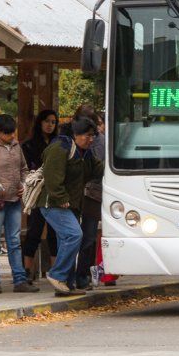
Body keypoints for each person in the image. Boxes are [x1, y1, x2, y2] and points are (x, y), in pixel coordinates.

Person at [37, 117, 104, 297]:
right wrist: (61, 197)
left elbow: (100, 170)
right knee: (75, 235)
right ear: (75, 134)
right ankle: (57, 275)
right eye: (88, 136)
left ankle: (66, 285)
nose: (91, 140)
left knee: (65, 240)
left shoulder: (85, 153)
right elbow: (52, 177)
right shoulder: (60, 148)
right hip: (53, 203)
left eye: (93, 136)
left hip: (71, 205)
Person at [0, 114, 39, 294]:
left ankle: (19, 280)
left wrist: (24, 183)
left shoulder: (16, 146)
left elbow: (24, 168)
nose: (11, 136)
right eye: (7, 133)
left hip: (14, 200)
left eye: (13, 132)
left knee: (14, 241)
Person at [21, 109, 59, 279]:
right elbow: (28, 169)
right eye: (47, 121)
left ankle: (56, 271)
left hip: (54, 192)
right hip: (36, 193)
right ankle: (28, 271)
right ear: (40, 123)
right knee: (34, 231)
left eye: (53, 122)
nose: (50, 125)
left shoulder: (59, 144)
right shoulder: (29, 145)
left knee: (54, 233)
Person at [76, 111, 105, 290]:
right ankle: (82, 275)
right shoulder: (71, 143)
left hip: (93, 193)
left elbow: (97, 167)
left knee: (88, 236)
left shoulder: (99, 142)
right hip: (86, 193)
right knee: (84, 236)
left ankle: (83, 275)